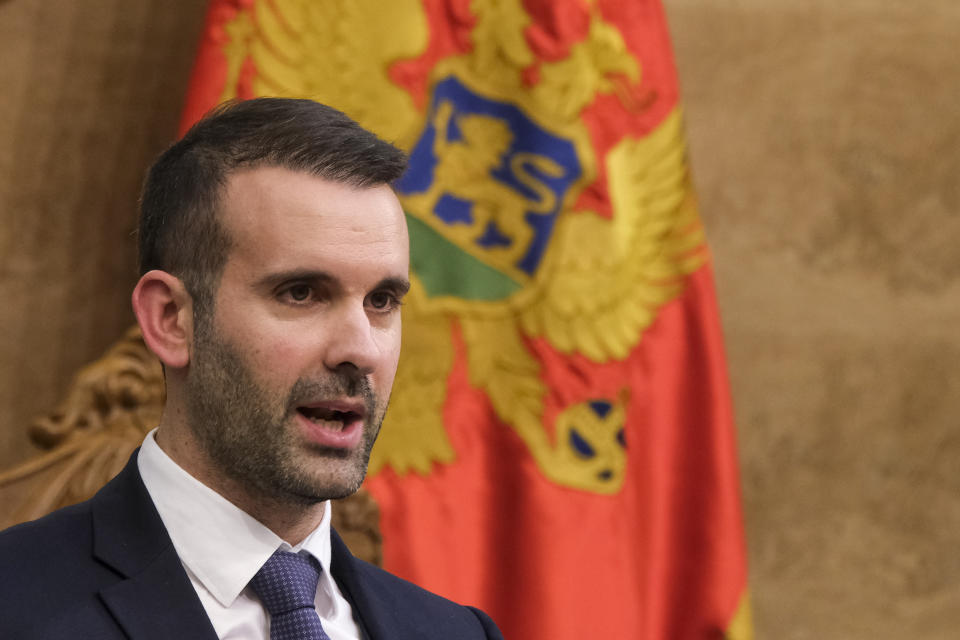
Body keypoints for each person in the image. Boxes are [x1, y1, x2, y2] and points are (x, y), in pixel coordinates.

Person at [0, 98, 503, 640]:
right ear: (171, 318)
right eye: (302, 293)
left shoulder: (458, 632)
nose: (361, 351)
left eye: (381, 301)